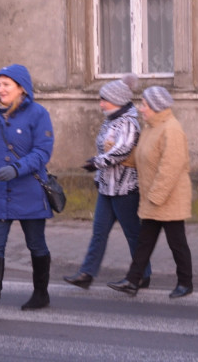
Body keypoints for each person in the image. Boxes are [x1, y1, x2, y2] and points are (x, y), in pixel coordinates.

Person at [0, 64, 55, 322]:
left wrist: (17, 169)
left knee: (35, 244)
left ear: (21, 88)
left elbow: (42, 152)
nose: (1, 89)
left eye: (7, 84)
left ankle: (41, 293)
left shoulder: (38, 114)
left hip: (28, 190)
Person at [63, 76, 151, 290]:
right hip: (106, 187)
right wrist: (98, 173)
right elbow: (105, 149)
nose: (101, 103)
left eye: (104, 100)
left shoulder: (129, 122)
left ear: (118, 100)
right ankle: (87, 274)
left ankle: (141, 275)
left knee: (133, 234)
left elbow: (122, 151)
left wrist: (97, 163)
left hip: (125, 188)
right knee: (99, 232)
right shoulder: (109, 120)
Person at [107, 86, 194, 299]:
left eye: (144, 105)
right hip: (153, 198)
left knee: (177, 243)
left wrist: (156, 196)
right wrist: (114, 152)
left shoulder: (171, 129)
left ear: (155, 107)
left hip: (169, 198)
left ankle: (185, 282)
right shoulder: (150, 127)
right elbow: (139, 159)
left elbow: (171, 167)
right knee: (144, 242)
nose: (140, 109)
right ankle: (132, 280)